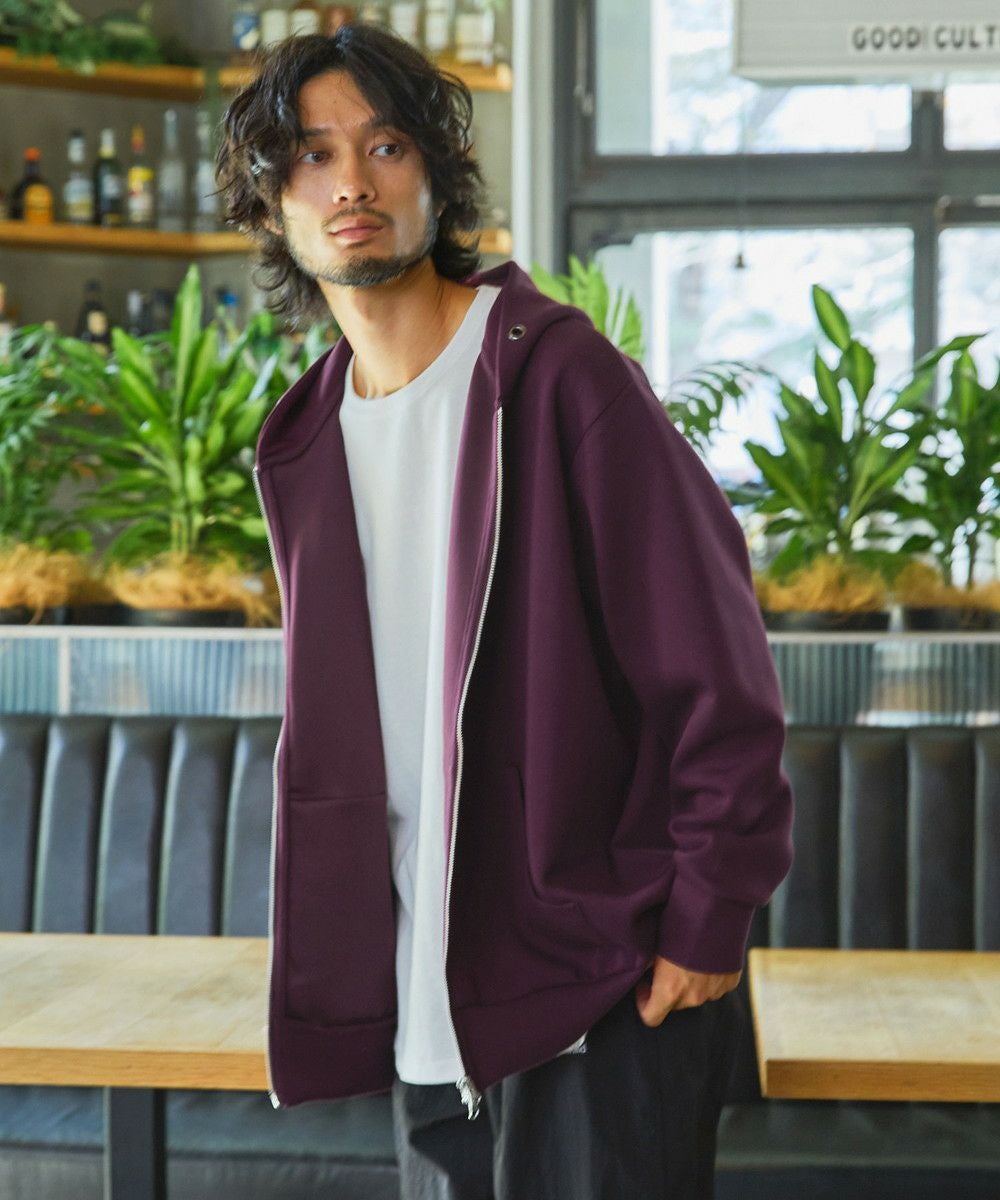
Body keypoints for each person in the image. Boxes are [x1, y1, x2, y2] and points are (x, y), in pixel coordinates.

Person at [216, 22, 795, 1200]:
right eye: (312, 156)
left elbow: (716, 664)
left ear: (436, 175)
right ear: (270, 204)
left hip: (603, 985)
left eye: (384, 146)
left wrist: (708, 912)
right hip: (426, 999)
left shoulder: (557, 378)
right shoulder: (305, 439)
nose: (351, 182)